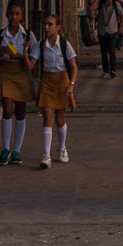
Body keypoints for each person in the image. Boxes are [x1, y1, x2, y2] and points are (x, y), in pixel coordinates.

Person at [0, 0, 36, 166]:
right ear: (6, 15)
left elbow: (35, 57)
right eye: (11, 14)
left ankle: (17, 150)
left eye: (17, 14)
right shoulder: (0, 34)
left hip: (21, 72)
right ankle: (6, 148)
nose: (14, 17)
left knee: (20, 112)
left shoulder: (28, 35)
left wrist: (25, 53)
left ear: (22, 17)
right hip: (6, 71)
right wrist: (0, 50)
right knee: (7, 109)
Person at [30, 14, 77, 169]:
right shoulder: (40, 45)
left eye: (50, 24)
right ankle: (46, 156)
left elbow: (74, 67)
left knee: (59, 119)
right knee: (47, 117)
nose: (46, 27)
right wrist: (24, 53)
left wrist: (71, 85)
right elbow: (31, 65)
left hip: (62, 82)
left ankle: (62, 148)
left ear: (58, 27)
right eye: (45, 24)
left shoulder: (64, 44)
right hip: (47, 82)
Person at [93, 0, 123, 79]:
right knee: (103, 52)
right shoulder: (100, 4)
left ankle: (113, 70)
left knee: (112, 51)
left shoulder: (115, 4)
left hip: (112, 31)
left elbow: (122, 16)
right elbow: (91, 8)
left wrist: (121, 27)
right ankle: (106, 71)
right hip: (102, 32)